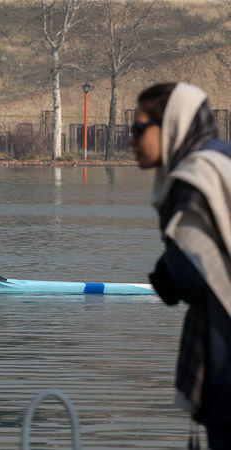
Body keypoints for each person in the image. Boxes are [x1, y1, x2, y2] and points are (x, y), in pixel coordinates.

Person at [131, 82, 231, 449]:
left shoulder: (194, 178)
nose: (132, 140)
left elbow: (188, 278)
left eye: (139, 129)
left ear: (171, 126)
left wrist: (163, 275)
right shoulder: (224, 159)